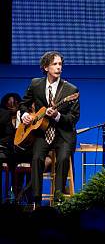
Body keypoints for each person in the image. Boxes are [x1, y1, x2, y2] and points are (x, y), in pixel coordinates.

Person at [19, 51, 80, 206]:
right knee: (37, 158)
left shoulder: (71, 90)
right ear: (45, 67)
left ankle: (58, 200)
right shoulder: (35, 84)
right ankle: (36, 201)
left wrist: (57, 115)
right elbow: (23, 104)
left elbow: (74, 118)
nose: (58, 67)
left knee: (63, 158)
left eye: (60, 64)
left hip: (63, 134)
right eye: (54, 64)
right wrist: (24, 114)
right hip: (42, 133)